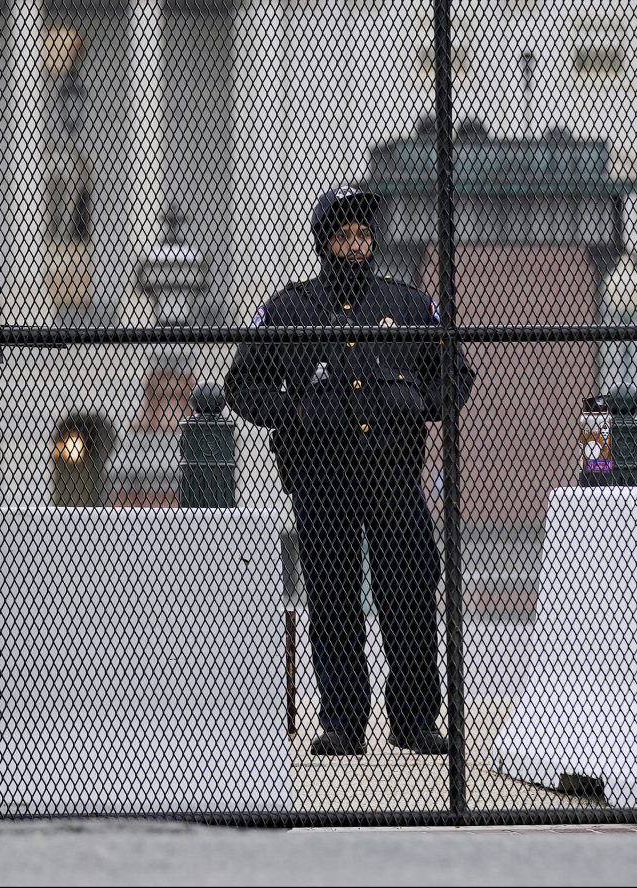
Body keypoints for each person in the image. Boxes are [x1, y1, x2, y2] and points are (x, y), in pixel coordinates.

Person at [223, 186, 475, 756]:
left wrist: (420, 403)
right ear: (324, 243)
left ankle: (413, 721)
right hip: (322, 481)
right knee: (333, 603)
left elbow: (456, 373)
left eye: (363, 235)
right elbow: (243, 384)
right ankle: (342, 721)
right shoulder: (290, 309)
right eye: (343, 236)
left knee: (409, 597)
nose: (355, 245)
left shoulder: (408, 304)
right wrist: (298, 411)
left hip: (394, 478)